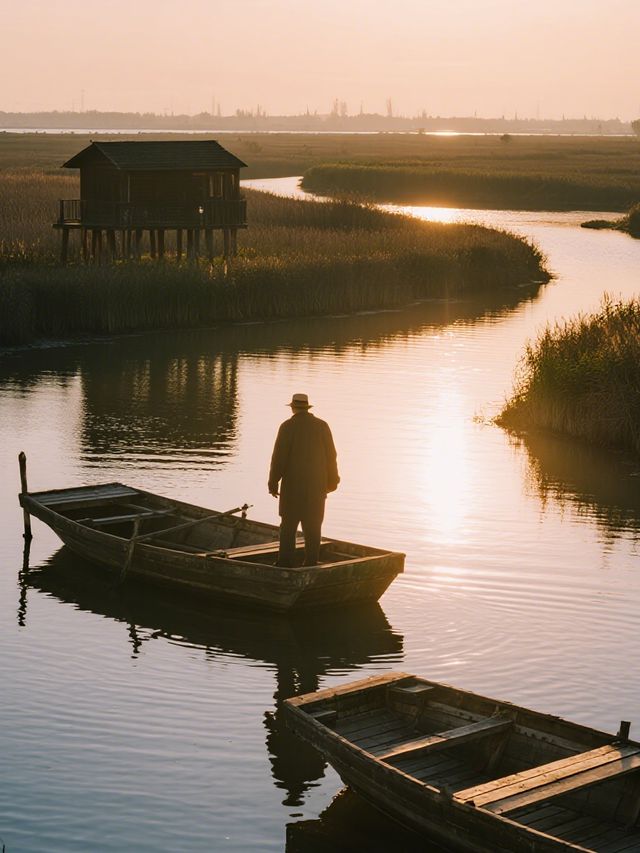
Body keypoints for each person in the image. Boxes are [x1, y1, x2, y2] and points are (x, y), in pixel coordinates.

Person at [268, 393, 339, 567]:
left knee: (288, 527)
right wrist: (333, 482)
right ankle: (311, 562)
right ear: (307, 407)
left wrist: (273, 482)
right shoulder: (322, 426)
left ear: (293, 408)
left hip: (292, 488)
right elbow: (332, 456)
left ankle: (285, 562)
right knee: (313, 526)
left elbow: (279, 458)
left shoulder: (287, 427)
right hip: (316, 487)